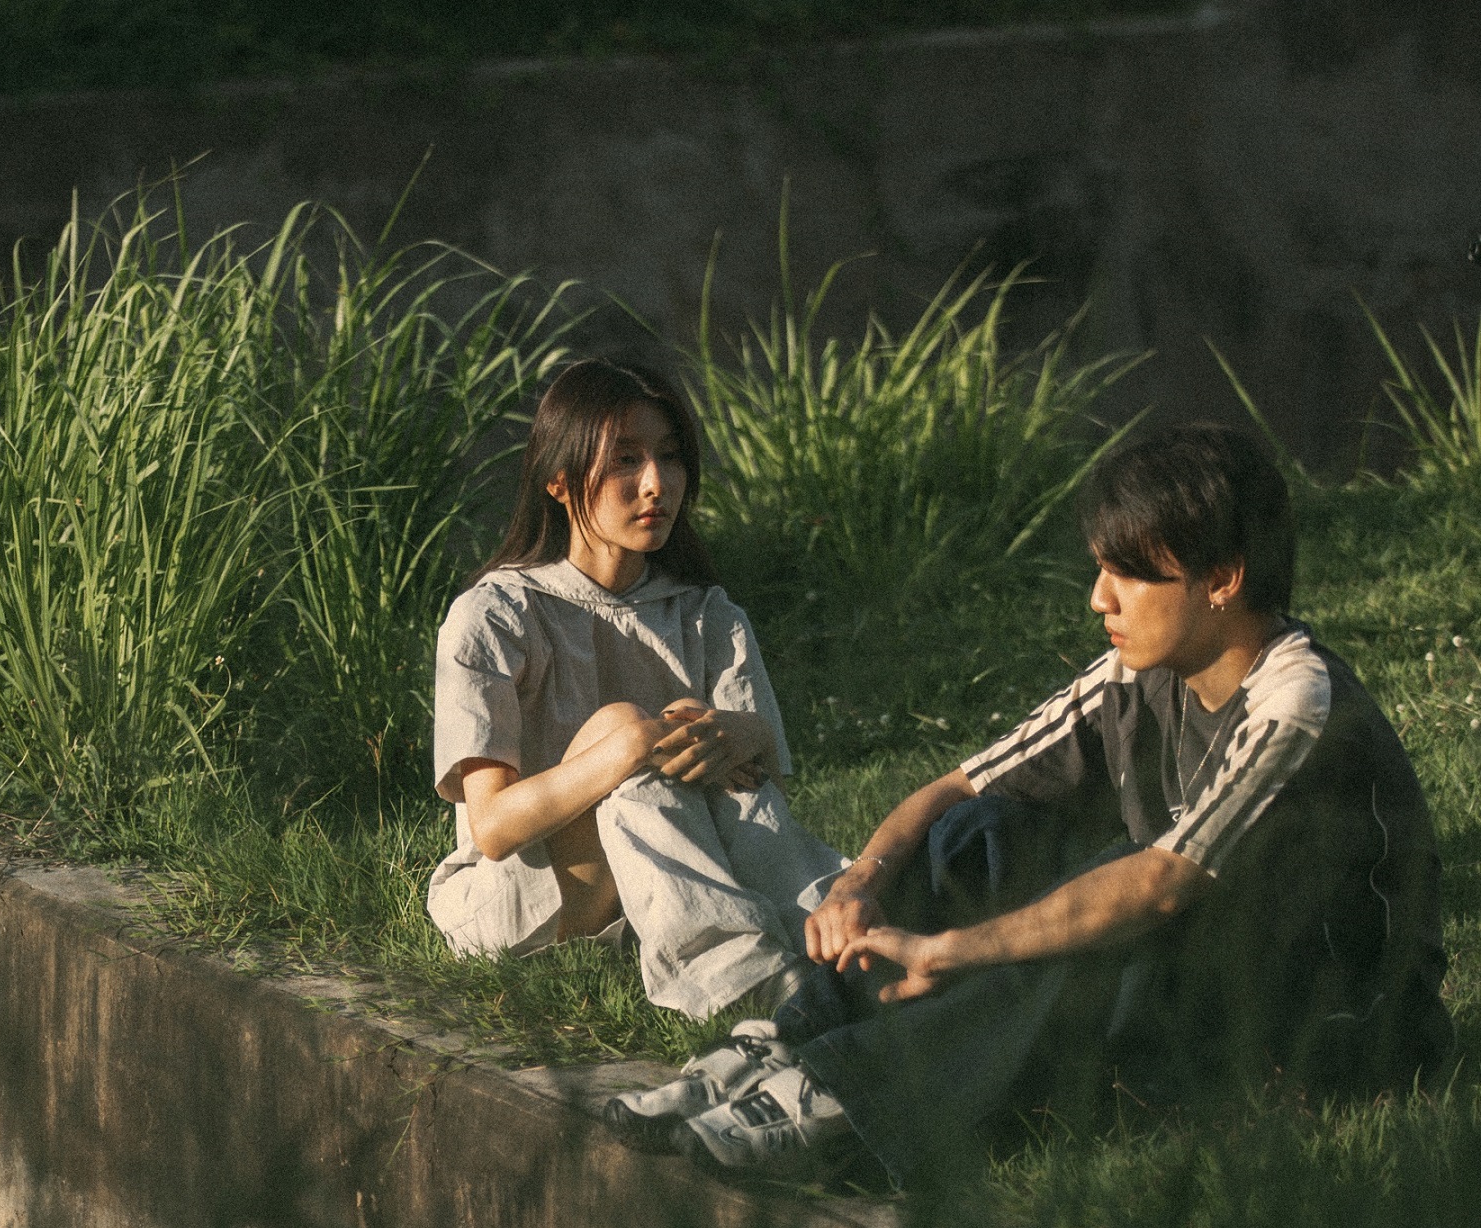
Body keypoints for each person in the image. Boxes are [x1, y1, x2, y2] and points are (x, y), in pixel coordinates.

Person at [604, 422, 1454, 1180]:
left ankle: (842, 1096)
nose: (1099, 599)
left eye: (1129, 574)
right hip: (1210, 975)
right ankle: (791, 1042)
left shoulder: (1296, 703)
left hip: (1338, 1023)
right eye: (1100, 569)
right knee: (978, 831)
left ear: (1223, 579)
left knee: (1115, 903)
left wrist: (956, 950)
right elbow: (956, 787)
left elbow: (1161, 886)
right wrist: (860, 881)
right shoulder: (1133, 674)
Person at [427, 358, 845, 1020]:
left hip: (663, 882)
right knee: (631, 725)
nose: (656, 483)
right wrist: (626, 750)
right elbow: (496, 829)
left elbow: (760, 809)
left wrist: (745, 732)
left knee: (696, 727)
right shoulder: (495, 615)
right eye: (625, 460)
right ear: (559, 482)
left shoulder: (709, 616)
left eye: (669, 457)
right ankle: (746, 980)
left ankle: (842, 938)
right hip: (525, 901)